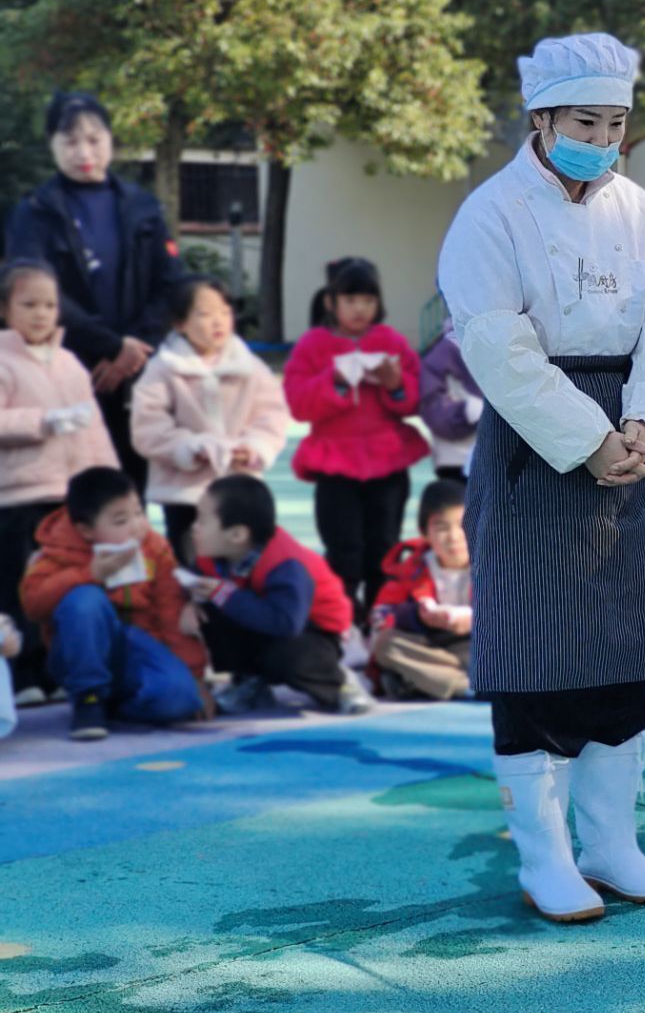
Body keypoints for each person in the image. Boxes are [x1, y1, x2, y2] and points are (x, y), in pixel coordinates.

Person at [437, 33, 645, 923]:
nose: (604, 139)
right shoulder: (491, 212)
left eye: (617, 123)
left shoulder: (638, 207)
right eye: (587, 121)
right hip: (537, 442)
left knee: (624, 648)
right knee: (538, 655)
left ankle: (613, 846)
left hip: (626, 429)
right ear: (541, 117)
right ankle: (546, 859)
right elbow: (495, 344)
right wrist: (586, 439)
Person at [5, 93, 182, 494]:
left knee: (131, 491)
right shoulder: (35, 212)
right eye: (70, 141)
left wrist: (132, 350)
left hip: (139, 370)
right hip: (63, 368)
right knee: (72, 490)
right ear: (51, 144)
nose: (84, 152)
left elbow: (169, 284)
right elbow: (31, 290)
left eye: (94, 139)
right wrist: (109, 345)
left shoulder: (143, 206)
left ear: (111, 140)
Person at [282, 258, 428, 621]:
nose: (360, 309)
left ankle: (381, 615)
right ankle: (343, 618)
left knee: (384, 545)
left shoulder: (390, 341)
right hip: (335, 464)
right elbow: (299, 404)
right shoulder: (313, 345)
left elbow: (415, 399)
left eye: (367, 300)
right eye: (350, 300)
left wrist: (395, 385)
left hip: (388, 460)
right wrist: (337, 380)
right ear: (331, 303)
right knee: (343, 549)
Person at [0, 259, 118, 708]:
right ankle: (23, 672)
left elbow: (94, 427)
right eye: (28, 304)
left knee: (64, 585)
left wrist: (110, 484)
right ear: (6, 309)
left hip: (66, 496)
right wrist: (44, 421)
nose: (40, 314)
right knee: (20, 585)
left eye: (49, 304)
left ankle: (60, 668)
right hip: (18, 496)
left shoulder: (69, 361)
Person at [20, 467, 207, 740]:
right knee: (84, 599)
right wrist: (91, 575)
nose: (136, 527)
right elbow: (33, 605)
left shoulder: (154, 547)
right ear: (85, 529)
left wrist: (196, 677)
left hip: (138, 649)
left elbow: (171, 612)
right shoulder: (57, 551)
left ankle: (117, 707)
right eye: (121, 521)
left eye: (139, 513)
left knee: (181, 701)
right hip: (79, 652)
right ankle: (89, 699)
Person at [131, 276, 289, 563]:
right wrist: (187, 448)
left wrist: (254, 447)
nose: (218, 321)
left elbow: (272, 414)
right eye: (205, 314)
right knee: (190, 565)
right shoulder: (163, 368)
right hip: (183, 492)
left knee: (241, 565)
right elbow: (148, 425)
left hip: (238, 489)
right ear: (179, 323)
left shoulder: (250, 367)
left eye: (225, 312)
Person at [181, 475, 370, 716]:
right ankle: (249, 682)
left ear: (237, 535)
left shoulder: (286, 564)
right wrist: (191, 603)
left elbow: (286, 622)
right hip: (265, 619)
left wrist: (226, 595)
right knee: (207, 615)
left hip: (314, 630)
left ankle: (338, 681)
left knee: (286, 657)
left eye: (203, 520)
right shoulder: (210, 555)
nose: (194, 527)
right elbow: (204, 589)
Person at [370, 479, 473, 701]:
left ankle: (424, 682)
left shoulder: (497, 564)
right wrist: (417, 617)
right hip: (433, 649)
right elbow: (379, 617)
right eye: (442, 528)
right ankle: (466, 685)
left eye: (462, 525)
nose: (454, 537)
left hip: (480, 646)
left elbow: (524, 614)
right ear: (424, 533)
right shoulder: (412, 569)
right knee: (387, 645)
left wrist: (476, 619)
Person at [419, 319, 485, 483]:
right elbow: (434, 409)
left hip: (479, 455)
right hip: (456, 458)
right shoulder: (444, 354)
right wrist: (468, 410)